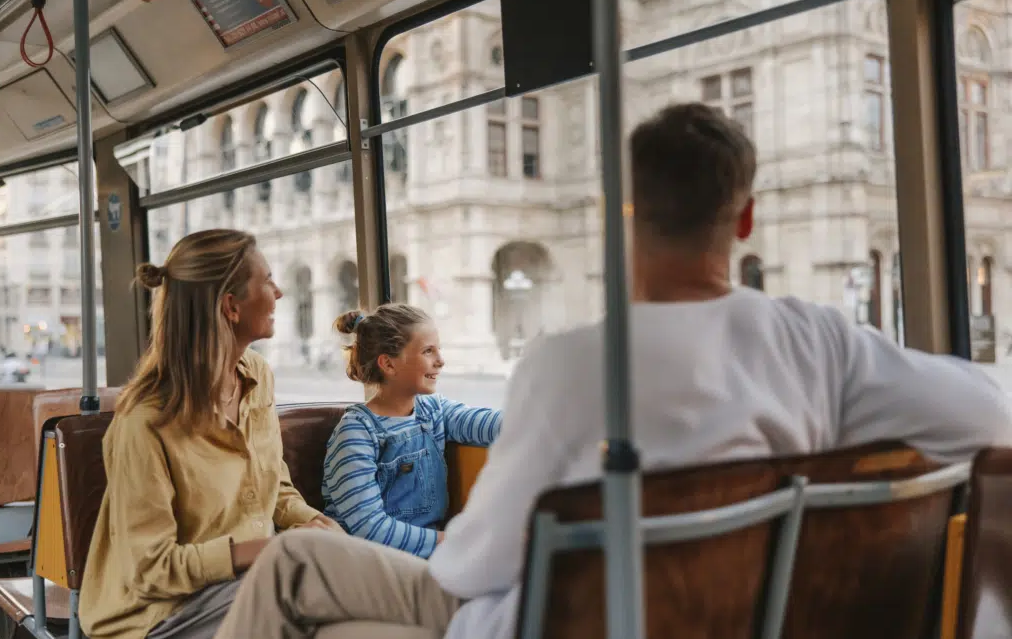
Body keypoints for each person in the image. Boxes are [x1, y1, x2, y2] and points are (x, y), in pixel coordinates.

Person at [213, 103, 1012, 639]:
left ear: (621, 213)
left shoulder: (568, 366)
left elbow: (468, 568)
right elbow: (990, 417)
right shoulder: (820, 342)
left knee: (295, 571)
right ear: (744, 217)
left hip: (549, 621)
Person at [79, 229, 338, 639]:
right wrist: (267, 551)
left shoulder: (257, 378)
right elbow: (151, 571)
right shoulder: (143, 424)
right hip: (157, 616)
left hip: (242, 587)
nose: (280, 291)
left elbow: (274, 486)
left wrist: (320, 525)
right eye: (268, 280)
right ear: (231, 307)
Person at [321, 304, 502, 558]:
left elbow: (485, 424)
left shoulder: (433, 410)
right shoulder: (356, 433)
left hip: (428, 554)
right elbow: (371, 530)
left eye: (439, 350)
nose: (441, 361)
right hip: (369, 561)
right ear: (388, 364)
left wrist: (537, 419)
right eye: (428, 351)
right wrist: (455, 542)